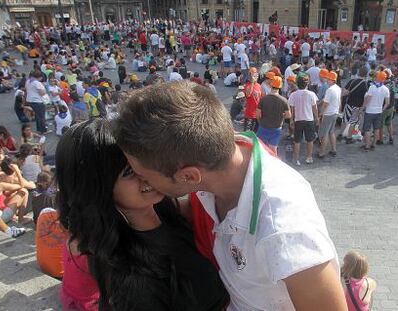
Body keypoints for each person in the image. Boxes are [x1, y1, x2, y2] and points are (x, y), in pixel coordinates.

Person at [114, 81, 347, 311]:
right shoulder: (217, 165)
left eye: (143, 175)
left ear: (189, 176)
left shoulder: (284, 231)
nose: (143, 182)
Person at [56, 119, 229, 311]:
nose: (145, 173)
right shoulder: (132, 277)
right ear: (98, 189)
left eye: (144, 161)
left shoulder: (169, 211)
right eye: (130, 171)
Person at [289, 73, 319, 165]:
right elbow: (315, 108)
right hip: (309, 119)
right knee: (310, 140)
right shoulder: (312, 94)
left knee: (297, 141)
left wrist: (291, 120)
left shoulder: (293, 94)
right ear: (307, 83)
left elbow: (292, 109)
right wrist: (317, 118)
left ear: (297, 83)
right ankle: (309, 157)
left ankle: (296, 159)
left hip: (298, 120)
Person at [256, 76, 291, 153]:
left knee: (261, 148)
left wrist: (260, 122)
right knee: (273, 149)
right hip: (276, 128)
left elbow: (257, 115)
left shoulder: (264, 99)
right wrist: (281, 118)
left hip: (263, 127)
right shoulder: (284, 100)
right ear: (280, 87)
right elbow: (288, 115)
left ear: (271, 85)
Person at [362, 71, 390, 151]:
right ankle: (373, 145)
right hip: (378, 112)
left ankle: (367, 145)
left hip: (369, 111)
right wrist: (381, 109)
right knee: (376, 129)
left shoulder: (372, 87)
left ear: (377, 78)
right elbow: (387, 103)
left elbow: (368, 99)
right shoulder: (386, 89)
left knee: (367, 129)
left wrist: (363, 107)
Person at [342, 67, 369, 144]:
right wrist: (362, 108)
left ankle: (340, 134)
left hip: (349, 104)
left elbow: (344, 92)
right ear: (366, 75)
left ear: (358, 72)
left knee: (344, 120)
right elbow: (366, 97)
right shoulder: (365, 84)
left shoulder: (352, 81)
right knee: (353, 122)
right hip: (357, 106)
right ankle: (349, 137)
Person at [318, 71, 342, 158]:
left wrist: (321, 113)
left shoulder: (330, 90)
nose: (327, 80)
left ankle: (322, 153)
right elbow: (339, 101)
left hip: (328, 114)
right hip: (335, 112)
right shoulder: (338, 88)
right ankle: (333, 150)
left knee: (325, 134)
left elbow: (325, 104)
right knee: (331, 132)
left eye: (328, 79)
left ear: (332, 80)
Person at [243, 67, 262, 131]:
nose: (254, 76)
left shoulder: (259, 86)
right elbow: (248, 94)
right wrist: (252, 83)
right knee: (247, 135)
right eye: (252, 74)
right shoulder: (247, 85)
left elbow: (260, 99)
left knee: (255, 135)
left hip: (257, 115)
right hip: (249, 115)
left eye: (256, 74)